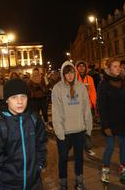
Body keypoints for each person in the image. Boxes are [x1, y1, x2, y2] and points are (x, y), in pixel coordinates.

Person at [0, 78, 47, 189]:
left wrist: (40, 165)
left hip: (34, 184)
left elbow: (41, 144)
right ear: (7, 100)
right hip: (8, 185)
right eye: (14, 97)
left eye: (23, 96)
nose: (20, 101)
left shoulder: (34, 120)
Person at [52, 61, 92, 190]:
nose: (70, 75)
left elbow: (86, 108)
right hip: (65, 131)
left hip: (79, 129)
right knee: (63, 158)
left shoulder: (81, 87)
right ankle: (63, 183)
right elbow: (56, 111)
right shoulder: (57, 88)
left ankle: (79, 181)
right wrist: (59, 132)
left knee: (79, 158)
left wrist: (88, 127)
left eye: (72, 72)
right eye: (67, 73)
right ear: (63, 74)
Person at [97, 59, 125, 185]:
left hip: (122, 120)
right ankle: (105, 169)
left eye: (119, 66)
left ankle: (124, 170)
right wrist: (105, 124)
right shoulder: (104, 84)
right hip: (110, 122)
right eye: (115, 66)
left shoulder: (123, 82)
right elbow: (101, 106)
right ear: (109, 68)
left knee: (124, 145)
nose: (118, 68)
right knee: (110, 146)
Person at [76, 60, 97, 156]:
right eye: (79, 66)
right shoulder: (74, 78)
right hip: (77, 107)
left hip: (88, 106)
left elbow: (93, 92)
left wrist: (94, 104)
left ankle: (88, 147)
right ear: (76, 68)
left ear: (86, 68)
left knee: (88, 128)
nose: (81, 68)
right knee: (78, 128)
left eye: (83, 66)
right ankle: (78, 147)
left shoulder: (90, 78)